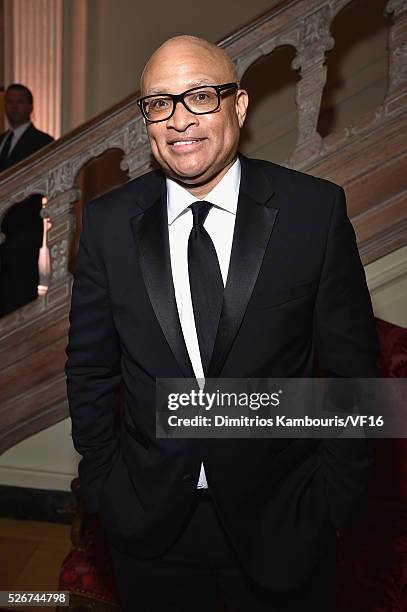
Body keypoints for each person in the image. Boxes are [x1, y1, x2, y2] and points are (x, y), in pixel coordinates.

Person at [65, 36, 379, 612]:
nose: (179, 119)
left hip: (285, 521)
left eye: (200, 97)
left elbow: (354, 370)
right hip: (150, 527)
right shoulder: (108, 225)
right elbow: (90, 369)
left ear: (238, 106)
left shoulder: (314, 212)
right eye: (159, 103)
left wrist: (335, 501)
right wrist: (106, 485)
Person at [0, 83, 54, 316]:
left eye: (19, 101)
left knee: (19, 301)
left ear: (30, 107)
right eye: (9, 101)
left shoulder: (43, 142)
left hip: (23, 234)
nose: (13, 106)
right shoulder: (1, 140)